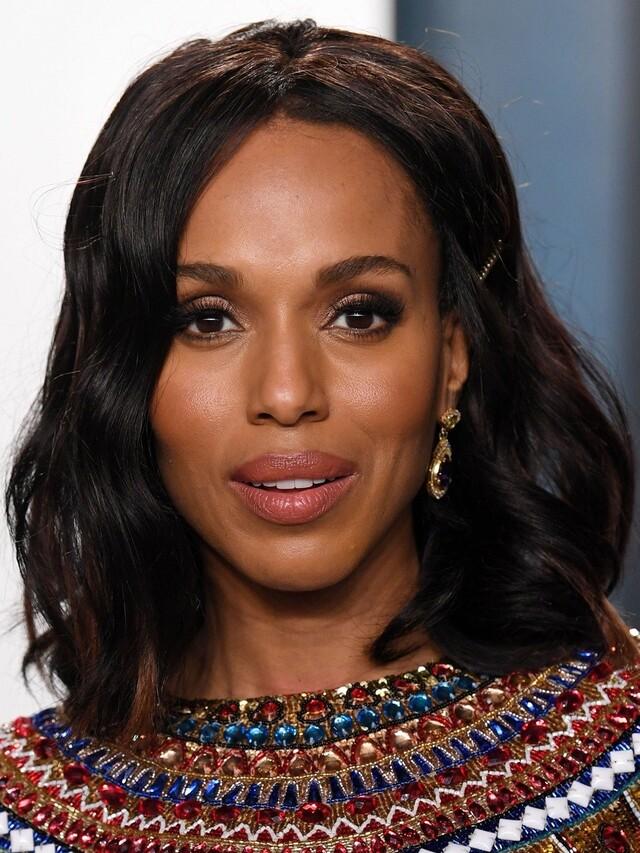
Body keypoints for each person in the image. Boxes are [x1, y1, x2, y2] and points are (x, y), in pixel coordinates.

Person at [1, 16, 639, 853]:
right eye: (208, 319)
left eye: (358, 313)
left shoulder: (623, 754)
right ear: (128, 372)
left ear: (452, 354)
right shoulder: (22, 817)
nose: (287, 393)